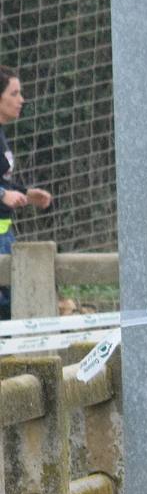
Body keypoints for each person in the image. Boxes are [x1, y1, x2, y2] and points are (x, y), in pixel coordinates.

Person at [0, 68, 53, 322]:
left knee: (13, 305)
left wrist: (28, 195)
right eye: (14, 93)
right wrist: (1, 195)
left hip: (4, 234)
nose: (22, 99)